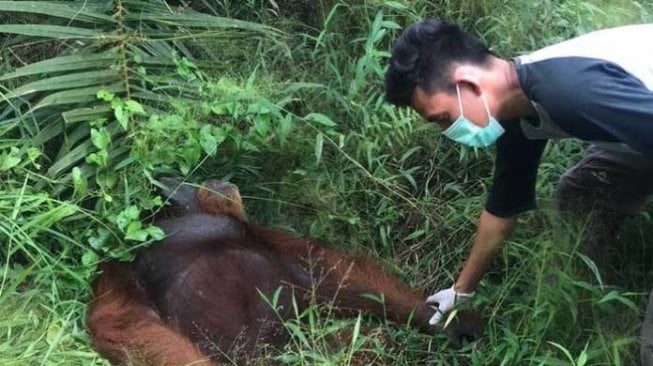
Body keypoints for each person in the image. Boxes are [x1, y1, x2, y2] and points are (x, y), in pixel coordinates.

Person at [384, 18, 653, 362]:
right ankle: (593, 297)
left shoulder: (571, 92)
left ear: (468, 85)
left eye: (442, 118)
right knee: (581, 194)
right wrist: (460, 291)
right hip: (639, 124)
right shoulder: (516, 111)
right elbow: (502, 209)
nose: (446, 130)